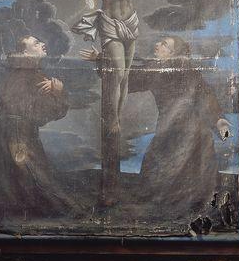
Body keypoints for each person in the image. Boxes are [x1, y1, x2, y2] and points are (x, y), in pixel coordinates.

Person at [20, 0, 204, 204]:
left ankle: (117, 116)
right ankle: (115, 119)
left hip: (130, 23)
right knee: (116, 71)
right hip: (110, 25)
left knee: (126, 74)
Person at [81, 36, 230, 219]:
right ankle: (169, 209)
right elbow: (126, 77)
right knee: (157, 169)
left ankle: (193, 210)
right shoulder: (154, 69)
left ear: (173, 53)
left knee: (194, 172)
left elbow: (205, 95)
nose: (157, 44)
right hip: (168, 126)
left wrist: (219, 120)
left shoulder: (188, 71)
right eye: (159, 42)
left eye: (164, 44)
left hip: (193, 128)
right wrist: (101, 60)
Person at [0, 35, 77, 228]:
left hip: (12, 131)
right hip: (18, 134)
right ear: (25, 52)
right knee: (35, 175)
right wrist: (59, 91)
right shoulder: (31, 76)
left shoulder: (21, 72)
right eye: (36, 43)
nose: (43, 43)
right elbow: (50, 112)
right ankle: (69, 212)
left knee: (17, 179)